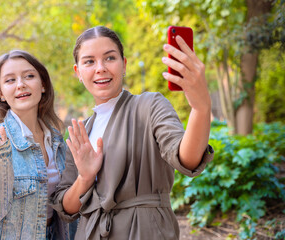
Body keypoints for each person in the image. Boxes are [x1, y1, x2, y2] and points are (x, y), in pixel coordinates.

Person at [50, 26, 214, 240]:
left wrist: (201, 109)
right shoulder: (80, 133)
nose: (100, 68)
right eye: (89, 61)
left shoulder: (149, 106)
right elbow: (67, 208)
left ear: (124, 64)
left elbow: (188, 159)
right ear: (77, 72)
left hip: (145, 231)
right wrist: (85, 177)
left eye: (110, 58)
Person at [0, 50, 75, 239]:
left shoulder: (57, 141)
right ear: (1, 93)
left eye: (29, 76)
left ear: (43, 85)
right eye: (10, 80)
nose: (21, 85)